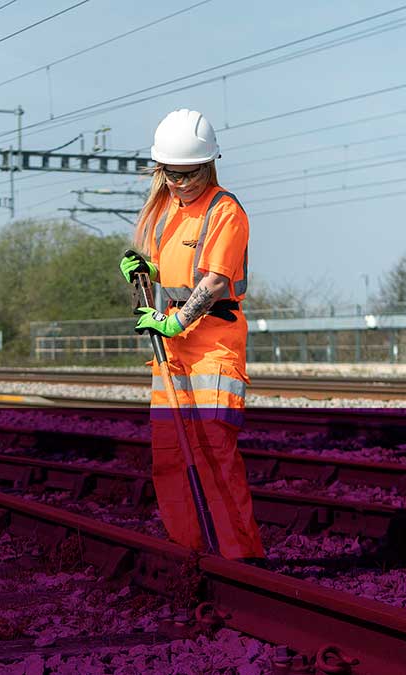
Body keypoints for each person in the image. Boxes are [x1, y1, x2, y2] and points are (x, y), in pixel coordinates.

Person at [119, 108, 264, 562]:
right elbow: (173, 272)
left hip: (213, 348)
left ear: (210, 165)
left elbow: (215, 282)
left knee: (213, 455)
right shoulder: (167, 212)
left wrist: (176, 323)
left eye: (190, 174)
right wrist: (144, 270)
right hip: (171, 352)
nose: (181, 183)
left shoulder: (226, 211)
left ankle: (240, 560)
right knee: (169, 457)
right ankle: (190, 553)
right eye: (172, 175)